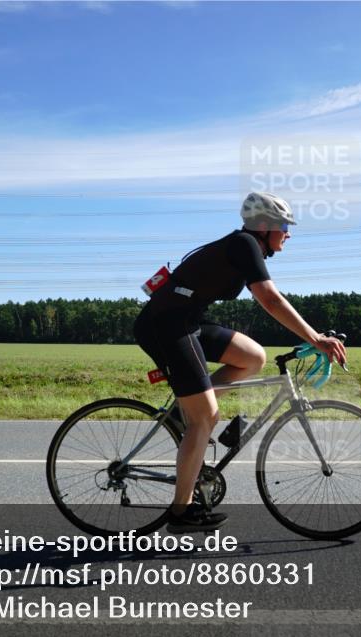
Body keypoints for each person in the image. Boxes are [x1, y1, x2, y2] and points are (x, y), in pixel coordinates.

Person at [132, 192, 348, 533]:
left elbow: (268, 298)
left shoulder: (248, 246)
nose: (288, 233)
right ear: (265, 228)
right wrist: (315, 338)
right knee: (207, 416)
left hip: (186, 321)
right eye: (283, 226)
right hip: (166, 326)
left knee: (253, 357)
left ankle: (187, 412)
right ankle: (180, 512)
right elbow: (269, 298)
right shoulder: (245, 244)